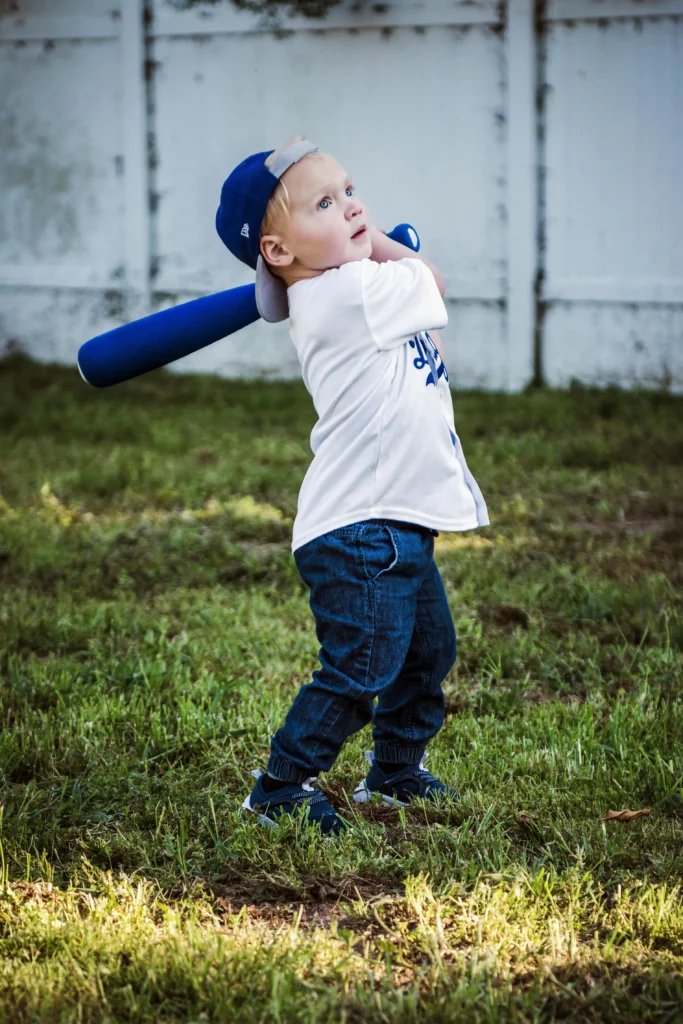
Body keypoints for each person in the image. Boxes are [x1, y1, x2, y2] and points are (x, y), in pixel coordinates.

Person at [215, 137, 488, 834]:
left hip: (393, 518)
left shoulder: (347, 286)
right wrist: (387, 245)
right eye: (326, 203)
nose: (353, 206)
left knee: (425, 655)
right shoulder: (347, 291)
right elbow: (431, 278)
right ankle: (279, 787)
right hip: (364, 526)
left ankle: (393, 775)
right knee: (361, 667)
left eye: (349, 189)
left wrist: (362, 240)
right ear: (277, 251)